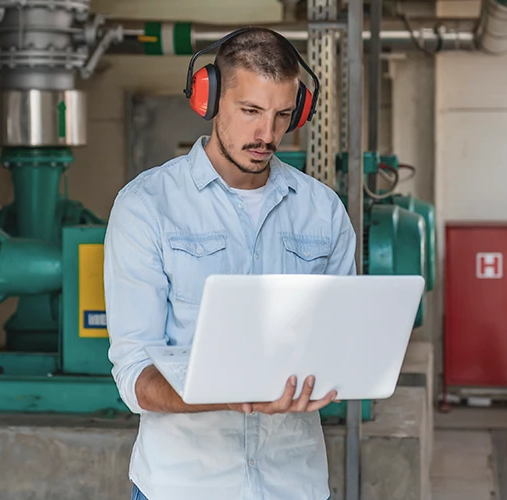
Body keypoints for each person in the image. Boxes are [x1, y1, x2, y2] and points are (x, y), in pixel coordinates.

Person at [103, 27, 355, 500]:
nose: (267, 134)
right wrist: (232, 394)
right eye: (250, 112)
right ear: (209, 98)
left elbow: (339, 343)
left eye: (282, 115)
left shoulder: (323, 212)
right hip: (183, 487)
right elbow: (134, 375)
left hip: (293, 484)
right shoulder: (146, 205)